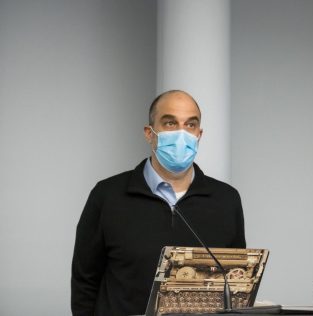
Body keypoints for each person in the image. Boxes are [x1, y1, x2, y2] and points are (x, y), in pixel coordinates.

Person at [71, 90, 246, 316]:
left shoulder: (227, 199)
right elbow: (85, 282)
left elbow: (238, 283)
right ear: (149, 133)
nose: (182, 133)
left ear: (199, 134)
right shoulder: (107, 195)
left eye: (190, 125)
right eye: (170, 123)